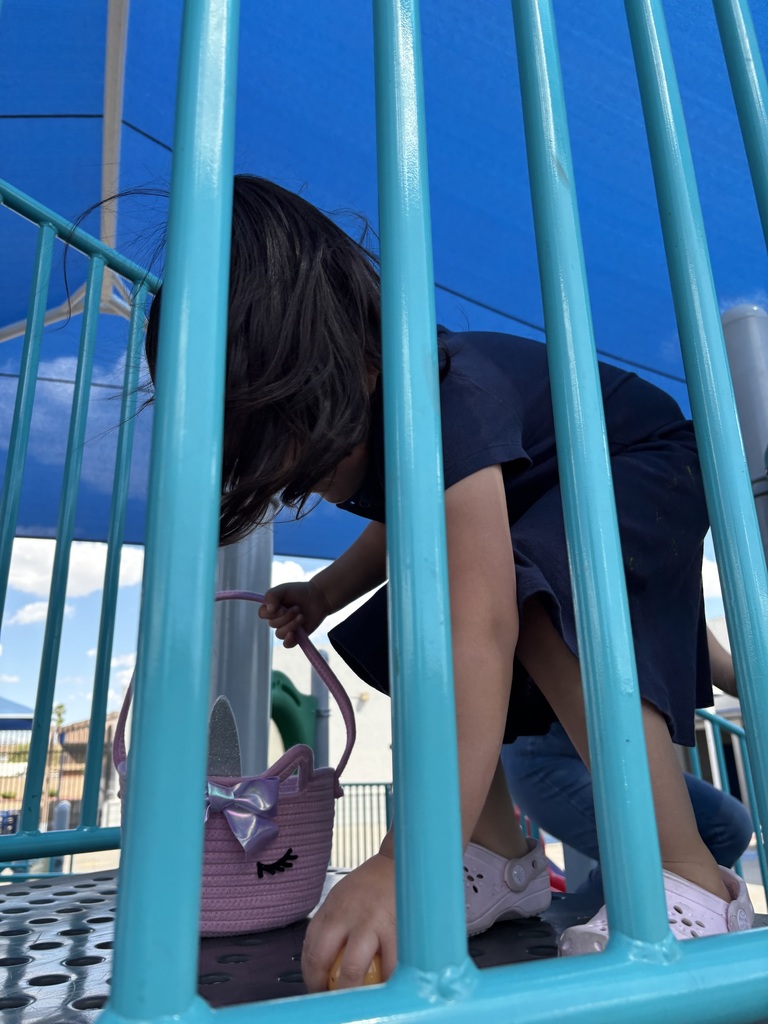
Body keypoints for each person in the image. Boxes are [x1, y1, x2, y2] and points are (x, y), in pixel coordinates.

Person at [145, 175, 754, 990]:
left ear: (357, 367)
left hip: (636, 463)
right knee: (409, 624)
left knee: (511, 600)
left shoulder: (439, 395)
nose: (317, 479)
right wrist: (326, 593)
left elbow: (480, 633)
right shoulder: (383, 425)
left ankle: (689, 872)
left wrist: (408, 861)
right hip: (541, 491)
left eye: (303, 442)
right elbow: (405, 529)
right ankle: (502, 856)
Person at [501, 627, 753, 908]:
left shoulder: (669, 594)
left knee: (728, 826)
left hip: (611, 740)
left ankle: (590, 917)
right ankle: (589, 923)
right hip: (546, 745)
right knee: (654, 853)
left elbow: (725, 669)